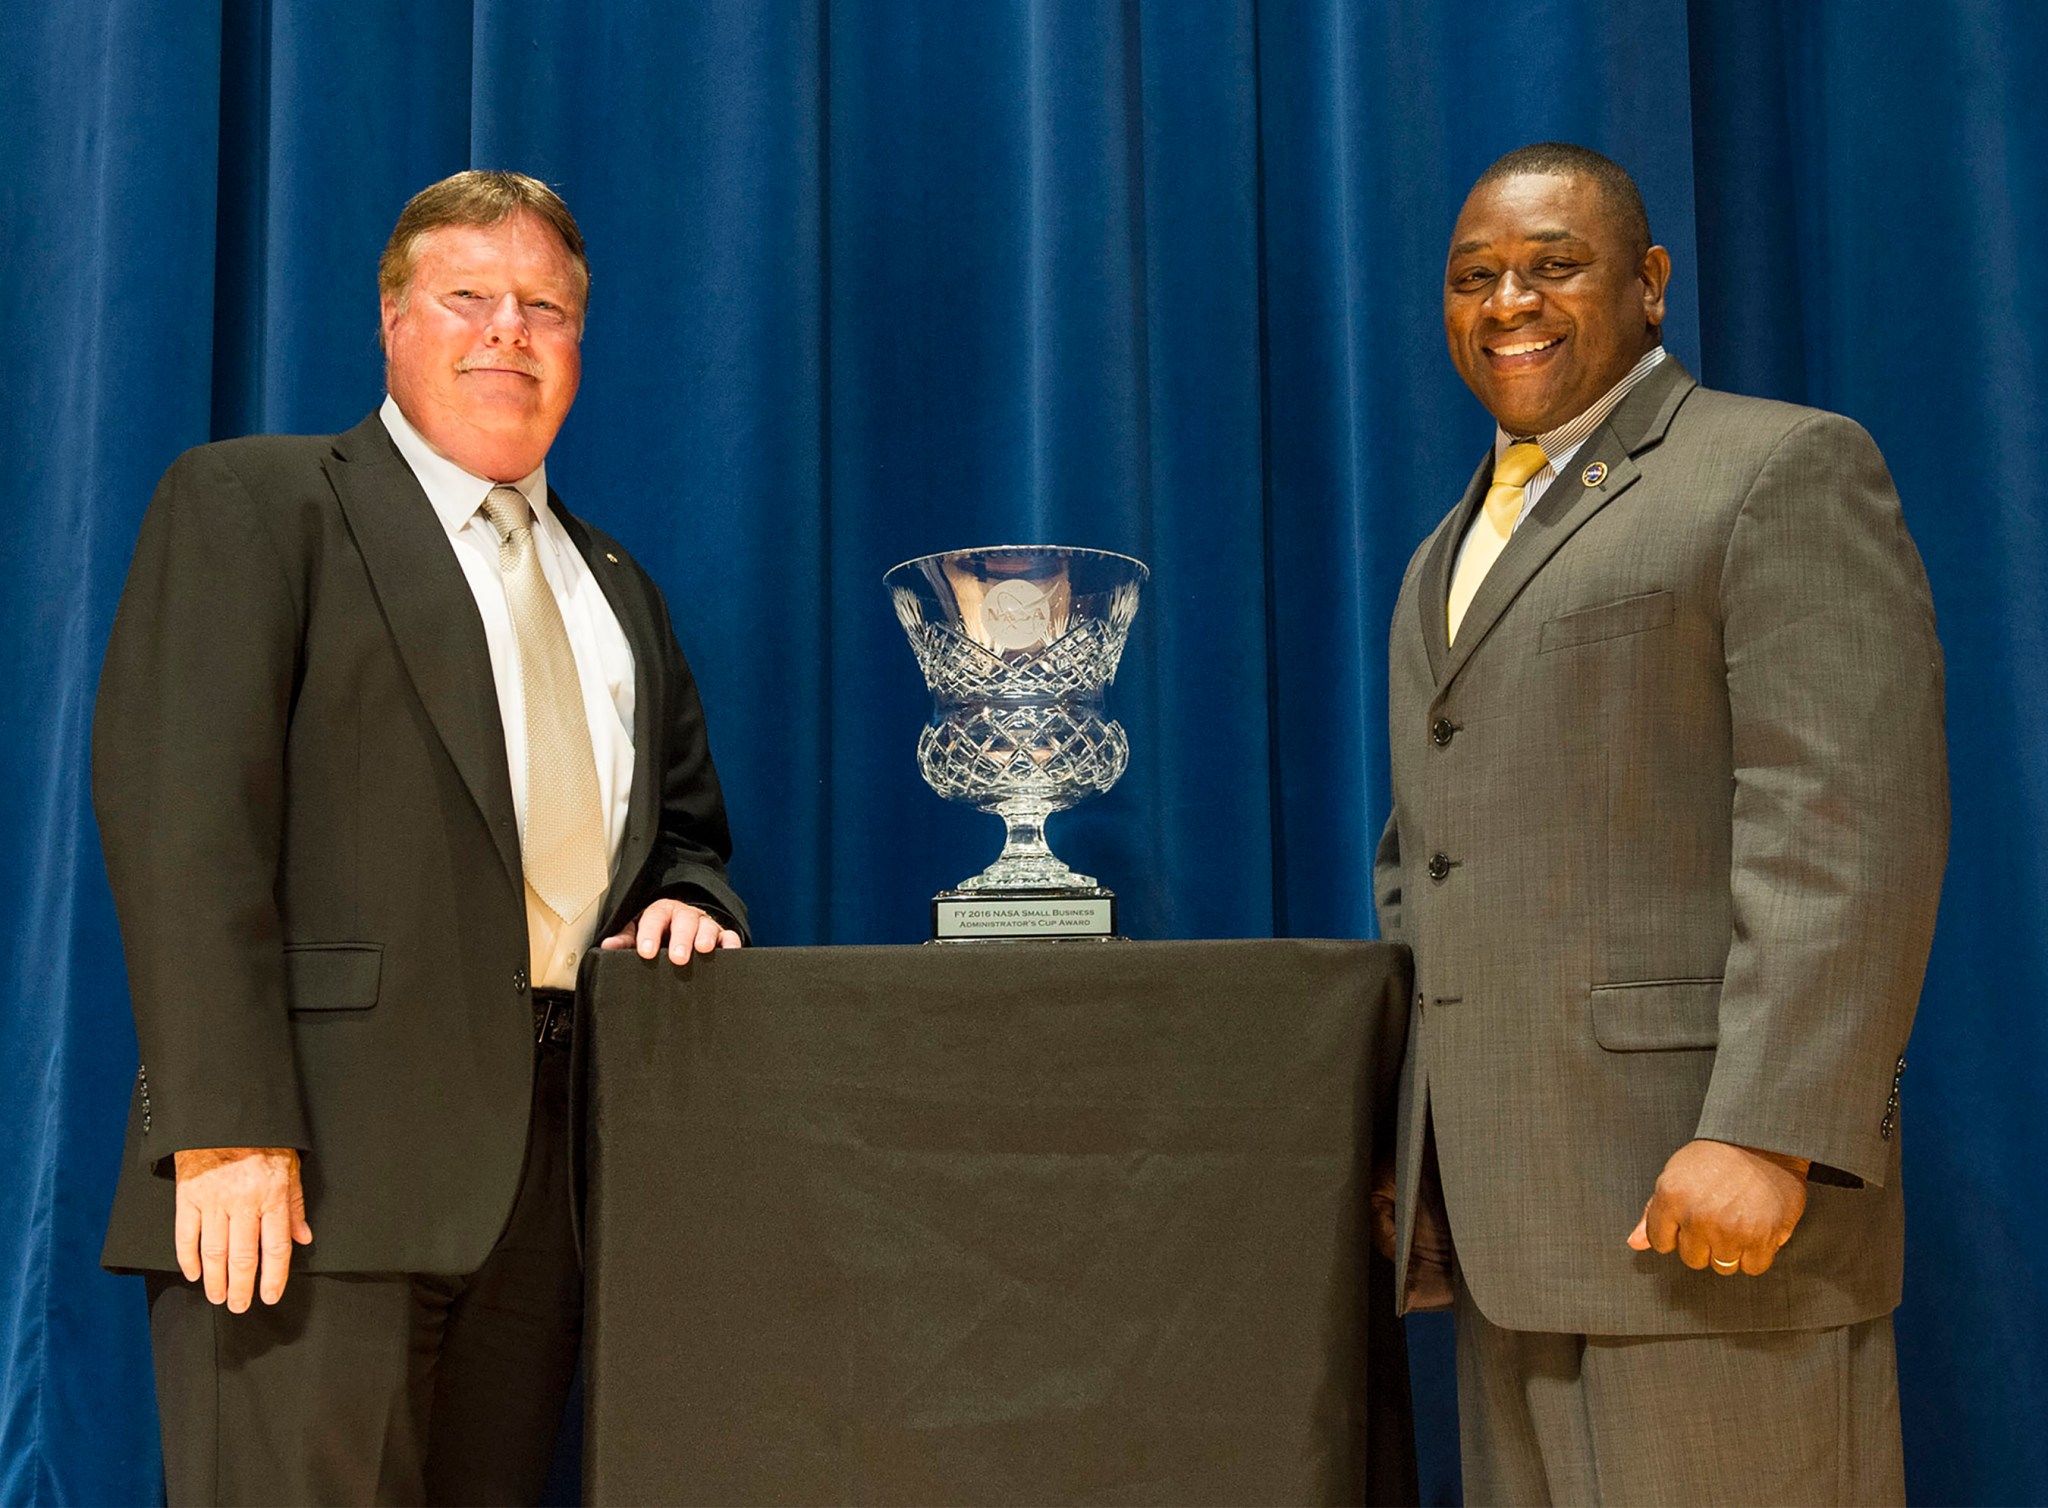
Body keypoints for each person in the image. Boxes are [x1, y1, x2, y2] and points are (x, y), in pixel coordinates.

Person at [93, 170, 747, 1505]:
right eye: (471, 297)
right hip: (307, 1187)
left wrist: (690, 896)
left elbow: (682, 832)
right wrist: (222, 1135)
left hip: (549, 1202)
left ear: (578, 347)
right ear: (395, 321)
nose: (510, 329)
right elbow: (185, 829)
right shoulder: (259, 507)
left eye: (546, 309)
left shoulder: (620, 587)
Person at [1372, 142, 1947, 1504]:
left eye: (1552, 265)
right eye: (1474, 277)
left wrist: (1770, 1129)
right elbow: (1424, 863)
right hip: (1513, 1245)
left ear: (1649, 285)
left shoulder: (1780, 469)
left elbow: (1845, 825)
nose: (1508, 299)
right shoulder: (1439, 557)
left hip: (1707, 1211)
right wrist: (1422, 1140)